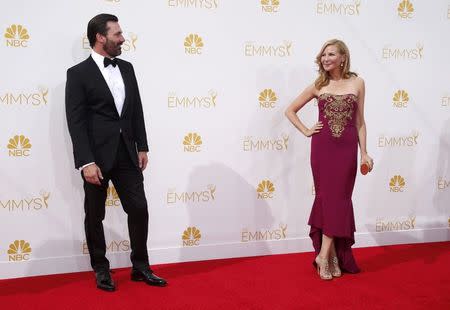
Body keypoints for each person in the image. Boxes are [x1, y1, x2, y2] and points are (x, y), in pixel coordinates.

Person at [65, 13, 167, 291]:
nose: (123, 39)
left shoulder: (127, 68)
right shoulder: (77, 74)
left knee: (139, 209)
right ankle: (101, 268)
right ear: (101, 37)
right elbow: (76, 122)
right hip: (96, 158)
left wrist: (142, 145)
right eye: (118, 34)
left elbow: (136, 110)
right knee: (94, 214)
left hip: (127, 153)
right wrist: (86, 162)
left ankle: (141, 267)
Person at [285, 39, 373, 280]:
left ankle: (324, 255)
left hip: (346, 150)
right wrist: (305, 130)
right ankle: (328, 255)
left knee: (340, 199)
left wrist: (364, 152)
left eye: (331, 54)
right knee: (326, 199)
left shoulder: (358, 83)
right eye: (323, 55)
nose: (325, 59)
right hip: (322, 148)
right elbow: (290, 110)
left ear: (343, 57)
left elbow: (360, 122)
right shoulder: (318, 85)